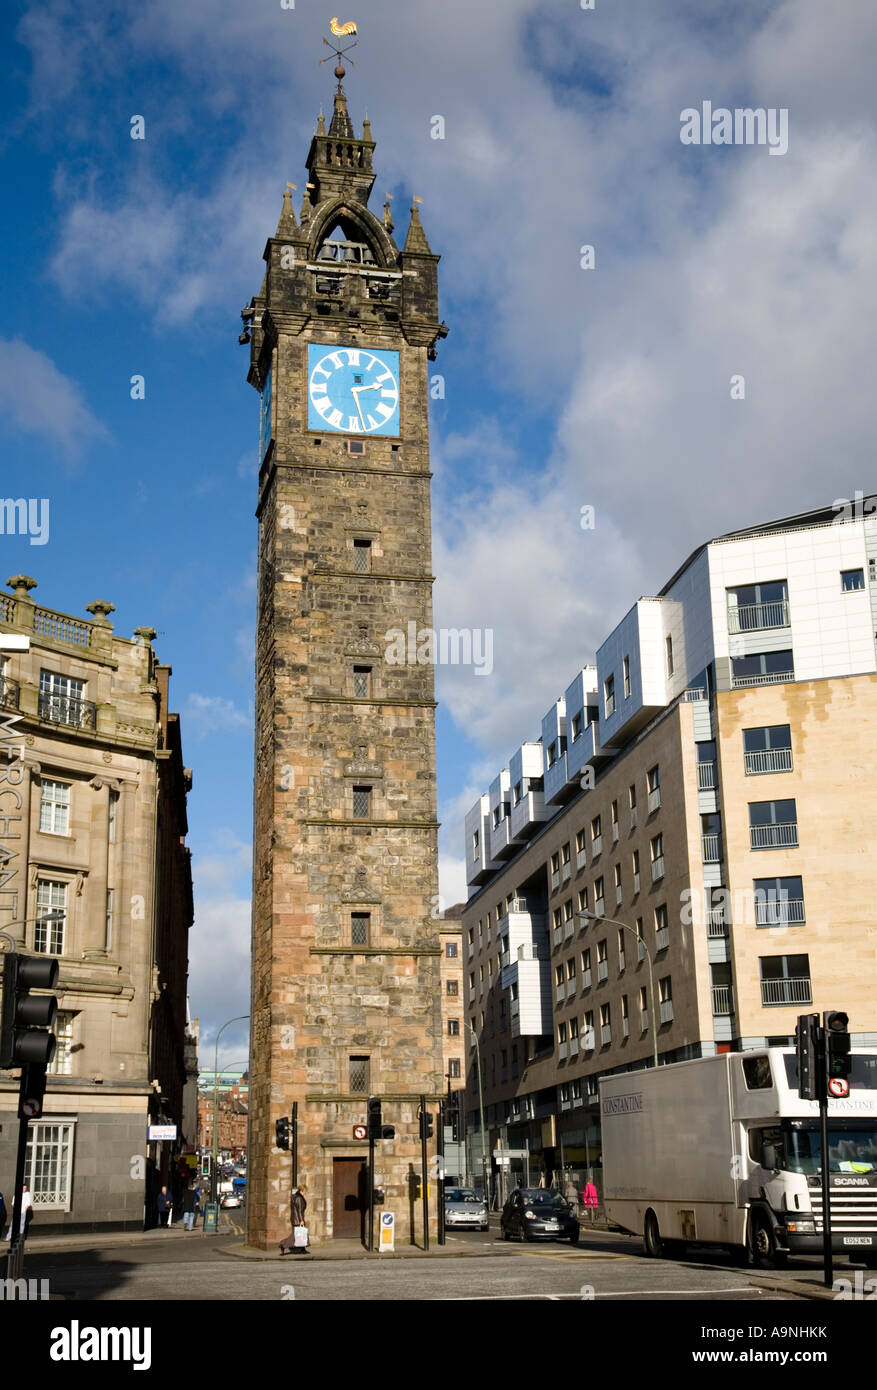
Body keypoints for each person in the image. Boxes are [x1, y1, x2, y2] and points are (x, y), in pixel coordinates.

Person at [279, 1183, 310, 1255]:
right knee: (295, 1236)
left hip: (295, 1219)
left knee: (301, 1235)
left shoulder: (296, 1197)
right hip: (297, 1220)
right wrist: (301, 1220)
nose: (305, 1193)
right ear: (302, 1190)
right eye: (305, 1191)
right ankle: (283, 1244)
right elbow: (299, 1210)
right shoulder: (299, 1198)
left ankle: (303, 1249)